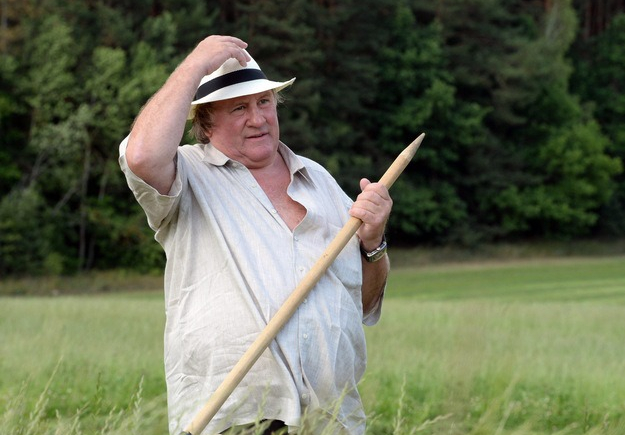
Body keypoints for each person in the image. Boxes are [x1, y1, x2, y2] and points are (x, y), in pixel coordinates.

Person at [118, 35, 392, 435]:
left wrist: (374, 242)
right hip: (233, 416)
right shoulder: (186, 174)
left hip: (331, 418)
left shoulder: (320, 180)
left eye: (264, 102)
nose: (258, 118)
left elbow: (363, 304)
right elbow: (140, 156)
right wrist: (194, 65)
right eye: (238, 108)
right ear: (206, 123)